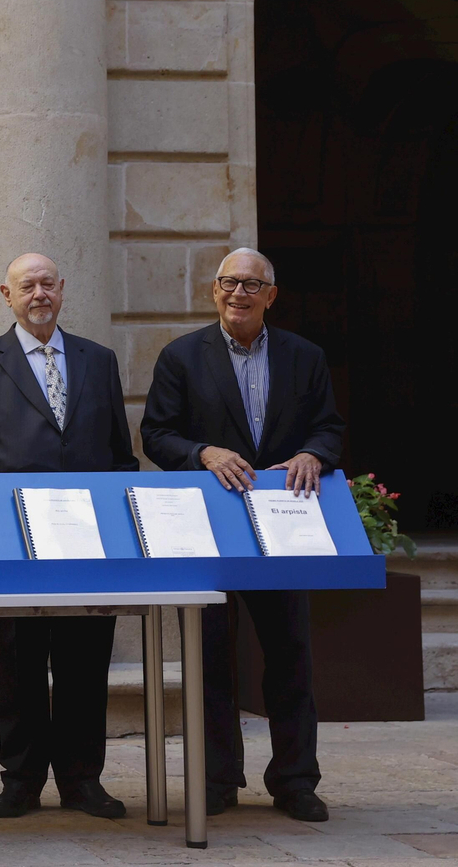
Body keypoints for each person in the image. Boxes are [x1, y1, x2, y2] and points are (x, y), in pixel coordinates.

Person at [141, 247, 343, 823]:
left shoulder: (305, 357)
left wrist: (313, 452)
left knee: (291, 657)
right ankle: (217, 780)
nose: (239, 293)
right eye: (229, 282)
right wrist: (202, 452)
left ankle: (296, 781)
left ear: (271, 296)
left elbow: (330, 426)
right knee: (209, 660)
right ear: (214, 291)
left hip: (284, 529)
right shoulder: (181, 357)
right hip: (210, 528)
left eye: (252, 285)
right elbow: (156, 433)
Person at [0, 253, 137, 821]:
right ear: (7, 294)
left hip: (89, 542)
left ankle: (82, 780)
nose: (39, 294)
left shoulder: (99, 360)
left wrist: (118, 528)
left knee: (85, 662)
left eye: (48, 284)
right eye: (28, 286)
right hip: (12, 541)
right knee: (19, 662)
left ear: (63, 290)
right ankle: (20, 780)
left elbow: (122, 454)